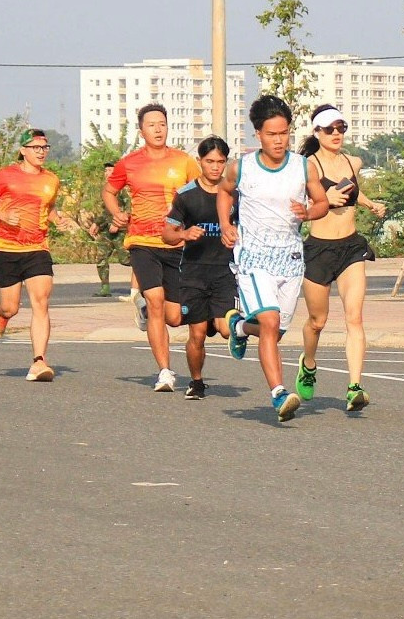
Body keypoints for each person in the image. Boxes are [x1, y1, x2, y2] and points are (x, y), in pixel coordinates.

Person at [218, 95, 330, 422]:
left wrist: (308, 213)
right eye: (272, 134)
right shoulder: (241, 167)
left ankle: (239, 327)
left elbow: (322, 202)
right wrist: (226, 224)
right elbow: (225, 192)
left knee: (276, 331)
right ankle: (279, 394)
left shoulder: (303, 166)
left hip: (290, 259)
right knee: (268, 322)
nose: (279, 140)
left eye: (284, 133)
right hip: (253, 257)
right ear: (258, 134)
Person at [102, 102, 201, 393]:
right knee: (156, 300)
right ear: (141, 130)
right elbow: (110, 190)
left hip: (176, 242)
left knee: (174, 316)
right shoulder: (129, 162)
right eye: (151, 125)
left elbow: (201, 193)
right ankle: (166, 372)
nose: (158, 129)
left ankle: (145, 309)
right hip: (142, 242)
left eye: (162, 124)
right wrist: (116, 212)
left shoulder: (184, 161)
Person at [296, 105, 388, 412]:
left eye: (341, 128)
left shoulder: (354, 161)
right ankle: (308, 364)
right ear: (317, 132)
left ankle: (354, 386)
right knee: (317, 321)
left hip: (350, 247)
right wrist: (322, 200)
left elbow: (352, 193)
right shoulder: (307, 166)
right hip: (319, 249)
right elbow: (298, 204)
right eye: (329, 129)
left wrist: (370, 202)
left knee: (355, 317)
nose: (336, 134)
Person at [0, 129, 78, 381]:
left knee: (41, 302)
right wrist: (3, 216)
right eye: (35, 147)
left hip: (37, 248)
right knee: (10, 307)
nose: (41, 152)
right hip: (6, 248)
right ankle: (2, 317)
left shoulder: (51, 180)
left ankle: (39, 361)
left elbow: (50, 207)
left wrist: (59, 220)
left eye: (44, 148)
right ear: (23, 150)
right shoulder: (5, 176)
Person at [161, 136, 236, 400]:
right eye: (209, 161)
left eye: (220, 162)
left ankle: (216, 320)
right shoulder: (186, 195)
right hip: (194, 272)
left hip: (225, 270)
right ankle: (197, 381)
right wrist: (184, 235)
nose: (215, 167)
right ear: (199, 162)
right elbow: (167, 234)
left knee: (227, 329)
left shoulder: (235, 194)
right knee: (198, 333)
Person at [87, 162, 130, 298]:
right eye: (106, 170)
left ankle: (147, 278)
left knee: (126, 259)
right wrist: (96, 224)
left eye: (111, 170)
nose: (107, 173)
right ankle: (105, 288)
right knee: (101, 257)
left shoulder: (122, 189)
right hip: (106, 231)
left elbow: (130, 206)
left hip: (121, 230)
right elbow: (105, 212)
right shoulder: (106, 189)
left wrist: (119, 222)